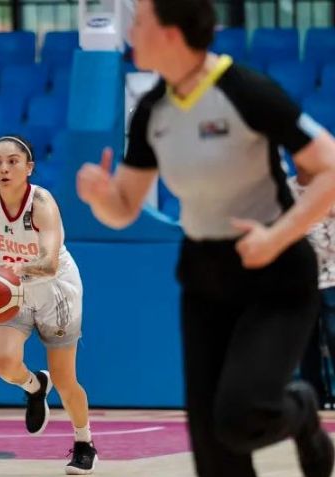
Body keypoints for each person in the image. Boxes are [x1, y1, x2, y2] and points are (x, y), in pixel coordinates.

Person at [75, 0, 335, 475]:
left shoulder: (246, 91)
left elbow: (330, 168)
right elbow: (124, 208)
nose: (130, 31)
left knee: (240, 418)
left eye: (141, 21)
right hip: (205, 281)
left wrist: (278, 237)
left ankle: (299, 410)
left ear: (172, 32)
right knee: (215, 454)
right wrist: (100, 197)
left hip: (275, 275)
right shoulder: (152, 110)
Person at [0, 136, 97, 474]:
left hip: (55, 290)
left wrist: (16, 269)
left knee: (66, 379)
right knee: (6, 365)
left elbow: (50, 263)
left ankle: (85, 442)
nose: (4, 168)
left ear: (29, 167)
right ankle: (35, 386)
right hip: (13, 292)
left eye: (12, 161)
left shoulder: (42, 203)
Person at [293, 165, 335, 408]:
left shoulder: (328, 186)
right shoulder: (287, 189)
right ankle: (313, 399)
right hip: (301, 282)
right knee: (304, 343)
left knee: (333, 335)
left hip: (332, 277)